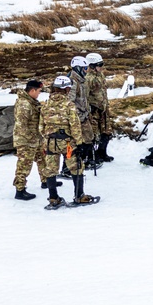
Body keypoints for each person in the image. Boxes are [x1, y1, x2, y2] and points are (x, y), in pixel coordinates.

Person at [40, 75, 99, 208]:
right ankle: (79, 196)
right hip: (67, 144)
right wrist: (79, 144)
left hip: (50, 143)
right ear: (66, 89)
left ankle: (53, 198)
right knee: (76, 167)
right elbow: (75, 126)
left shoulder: (45, 105)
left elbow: (40, 126)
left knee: (50, 169)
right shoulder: (69, 105)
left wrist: (46, 139)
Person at [12, 79, 47, 201]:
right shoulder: (24, 104)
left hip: (34, 138)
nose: (39, 94)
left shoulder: (31, 102)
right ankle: (20, 190)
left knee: (42, 159)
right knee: (24, 165)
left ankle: (46, 180)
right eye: (38, 91)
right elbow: (22, 125)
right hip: (26, 140)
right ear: (32, 90)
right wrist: (30, 139)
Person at [64, 55, 93, 174]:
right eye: (85, 68)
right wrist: (76, 115)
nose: (87, 71)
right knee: (73, 143)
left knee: (88, 137)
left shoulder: (81, 81)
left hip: (83, 115)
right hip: (76, 117)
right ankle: (67, 168)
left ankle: (83, 161)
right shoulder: (72, 82)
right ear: (78, 68)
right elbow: (69, 102)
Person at [85, 52, 114, 162]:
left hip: (103, 109)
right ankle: (93, 155)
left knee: (106, 131)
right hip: (94, 110)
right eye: (99, 65)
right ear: (92, 65)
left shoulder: (100, 76)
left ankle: (102, 152)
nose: (101, 67)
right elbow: (85, 96)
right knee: (93, 133)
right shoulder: (88, 79)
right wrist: (89, 108)